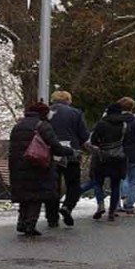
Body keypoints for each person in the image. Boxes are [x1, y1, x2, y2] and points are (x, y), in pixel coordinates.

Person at [9, 102, 75, 236]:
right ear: (44, 113)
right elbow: (55, 147)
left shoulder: (18, 126)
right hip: (37, 164)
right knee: (36, 195)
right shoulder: (43, 126)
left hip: (18, 165)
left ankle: (21, 222)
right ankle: (30, 224)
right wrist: (70, 151)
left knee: (25, 195)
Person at [47, 91, 90, 227]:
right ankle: (67, 207)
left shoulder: (46, 113)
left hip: (50, 153)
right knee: (73, 184)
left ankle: (52, 217)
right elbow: (83, 135)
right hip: (71, 153)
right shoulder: (76, 113)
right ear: (68, 100)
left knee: (53, 186)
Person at [89, 104, 130, 221]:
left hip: (102, 158)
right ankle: (112, 212)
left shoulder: (101, 124)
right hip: (119, 158)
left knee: (98, 182)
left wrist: (101, 146)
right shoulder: (124, 124)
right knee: (115, 185)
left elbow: (93, 140)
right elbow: (127, 142)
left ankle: (100, 204)